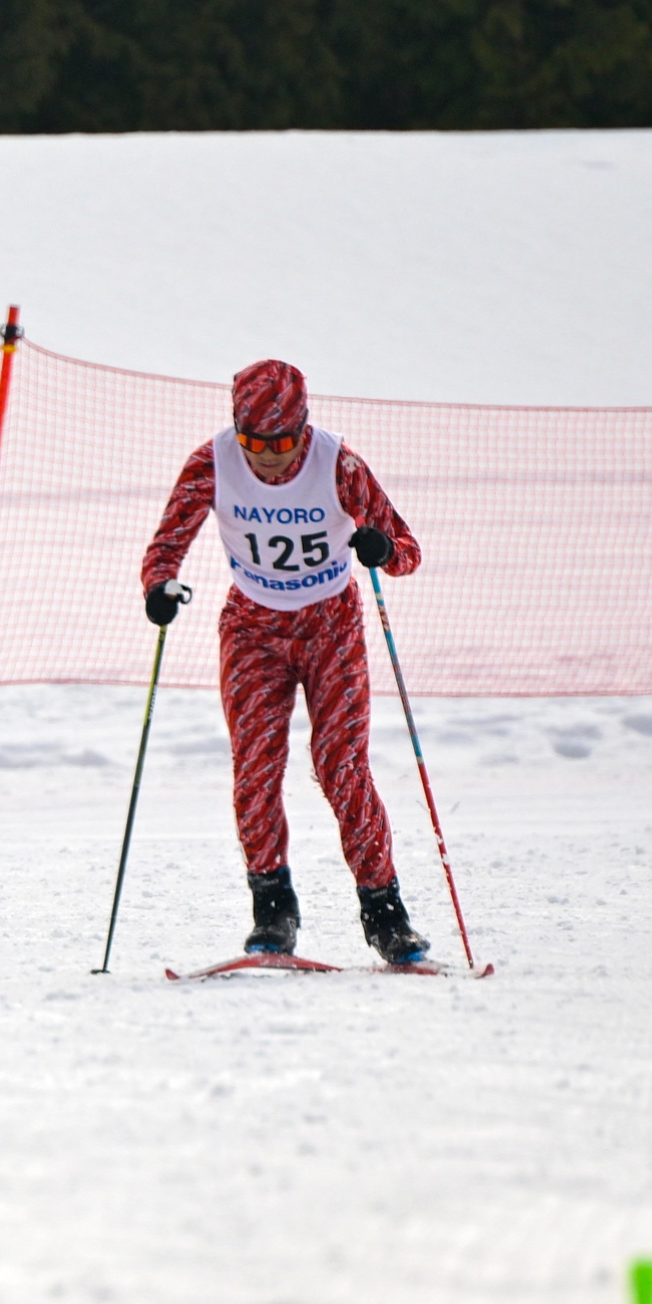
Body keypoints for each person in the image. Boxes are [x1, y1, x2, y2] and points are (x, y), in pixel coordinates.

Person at [140, 357, 430, 962]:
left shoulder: (339, 464)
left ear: (304, 428)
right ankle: (273, 909)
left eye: (281, 443)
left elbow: (406, 550)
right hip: (254, 629)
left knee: (341, 766)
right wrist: (159, 586)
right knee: (255, 767)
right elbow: (166, 545)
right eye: (253, 442)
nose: (267, 457)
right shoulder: (212, 463)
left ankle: (386, 913)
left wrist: (381, 548)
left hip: (331, 628)